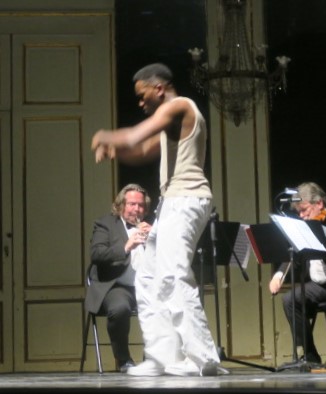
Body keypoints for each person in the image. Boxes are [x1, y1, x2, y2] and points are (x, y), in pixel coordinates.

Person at [90, 63, 221, 377]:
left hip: (188, 197)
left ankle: (202, 358)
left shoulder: (178, 106)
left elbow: (137, 134)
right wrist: (116, 151)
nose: (140, 102)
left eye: (142, 94)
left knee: (174, 274)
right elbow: (142, 149)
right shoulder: (169, 120)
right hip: (173, 201)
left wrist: (104, 134)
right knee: (147, 272)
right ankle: (162, 357)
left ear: (159, 88)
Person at [268, 182, 326, 368]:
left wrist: (317, 236)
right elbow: (293, 255)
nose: (302, 216)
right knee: (290, 299)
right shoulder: (305, 226)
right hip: (319, 285)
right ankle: (310, 355)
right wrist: (278, 275)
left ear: (319, 204)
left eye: (304, 210)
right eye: (299, 213)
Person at [85, 183, 152, 372]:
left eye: (140, 206)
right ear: (121, 205)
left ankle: (153, 359)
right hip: (117, 285)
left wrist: (155, 238)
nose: (136, 209)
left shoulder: (151, 226)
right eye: (131, 204)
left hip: (147, 285)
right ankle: (124, 360)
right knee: (119, 308)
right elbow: (97, 254)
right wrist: (126, 247)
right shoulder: (105, 224)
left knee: (169, 304)